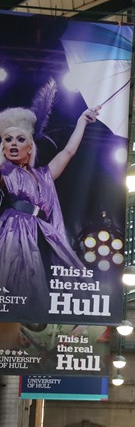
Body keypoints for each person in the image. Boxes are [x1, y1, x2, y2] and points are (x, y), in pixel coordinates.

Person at [0, 105, 99, 315]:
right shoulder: (4, 172)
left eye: (19, 139)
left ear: (30, 147)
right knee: (15, 276)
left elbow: (69, 151)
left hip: (43, 232)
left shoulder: (44, 175)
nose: (13, 143)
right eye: (8, 140)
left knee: (67, 271)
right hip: (14, 231)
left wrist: (82, 120)